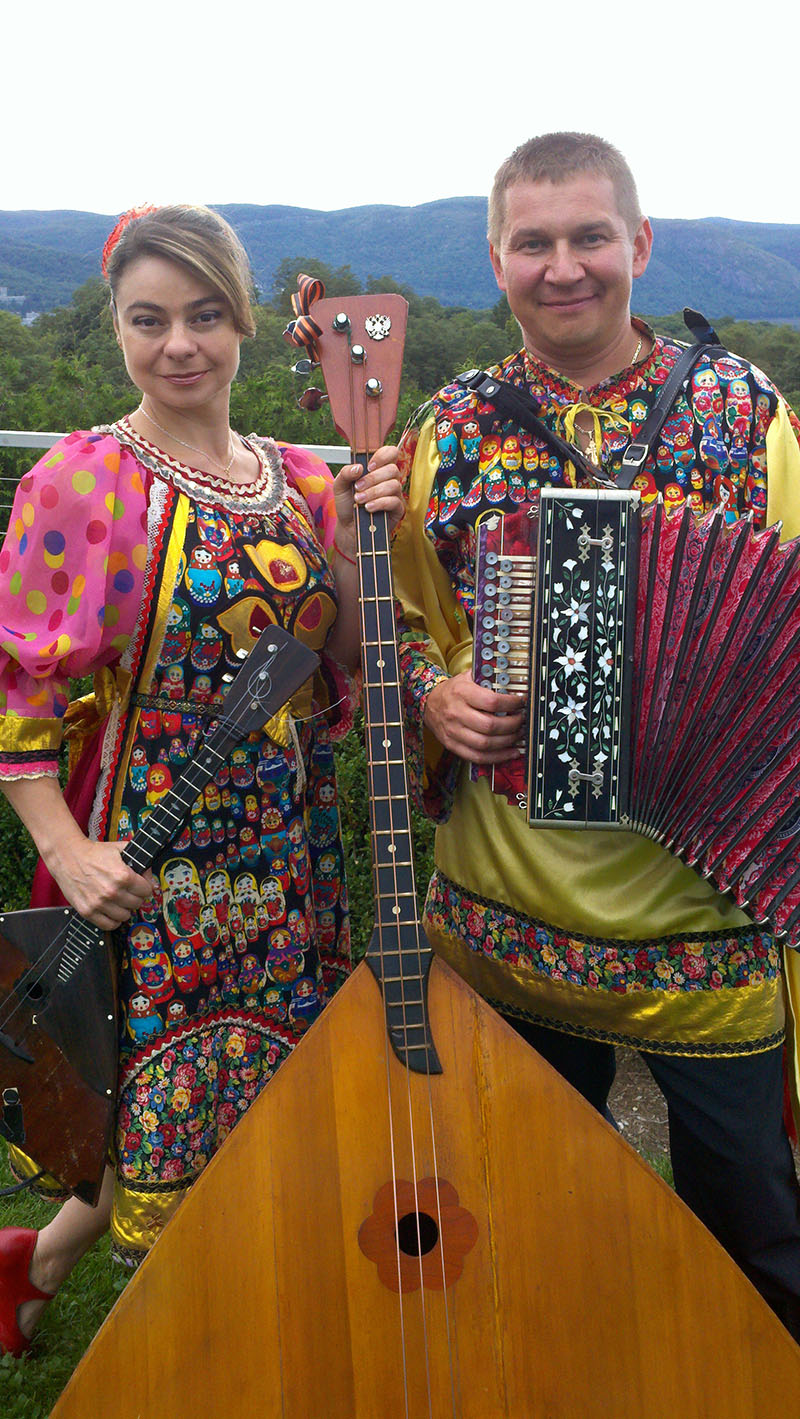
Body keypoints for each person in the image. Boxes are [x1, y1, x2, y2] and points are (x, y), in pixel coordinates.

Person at [378, 133, 800, 1337]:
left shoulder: (740, 411)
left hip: (699, 916)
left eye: (587, 237)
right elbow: (404, 621)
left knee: (751, 1226)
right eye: (532, 243)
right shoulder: (451, 428)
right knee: (516, 1214)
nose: (562, 267)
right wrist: (428, 694)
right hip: (503, 912)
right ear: (496, 260)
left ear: (638, 245)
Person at [0, 203, 403, 1357]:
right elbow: (21, 699)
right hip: (150, 870)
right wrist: (71, 855)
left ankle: (33, 1266)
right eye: (147, 318)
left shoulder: (303, 484)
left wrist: (373, 539)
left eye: (204, 315)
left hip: (292, 862)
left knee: (265, 1106)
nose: (178, 344)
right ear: (115, 329)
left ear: (240, 323)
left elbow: (359, 665)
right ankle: (198, 1354)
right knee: (168, 1117)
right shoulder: (85, 482)